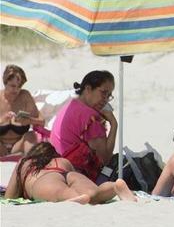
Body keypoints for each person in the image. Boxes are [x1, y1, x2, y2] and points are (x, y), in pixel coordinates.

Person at [5, 142, 136, 203]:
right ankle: (114, 187)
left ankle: (73, 198)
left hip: (45, 179)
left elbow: (9, 197)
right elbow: (70, 179)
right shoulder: (62, 161)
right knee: (94, 193)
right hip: (68, 173)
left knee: (62, 192)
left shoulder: (25, 162)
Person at [49, 70, 117, 181]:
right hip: (75, 175)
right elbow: (104, 159)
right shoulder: (91, 117)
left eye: (109, 96)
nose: (105, 99)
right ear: (88, 89)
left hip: (56, 168)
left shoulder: (71, 105)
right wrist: (114, 125)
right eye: (103, 93)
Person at [0, 65, 42, 156]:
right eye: (13, 86)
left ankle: (31, 164)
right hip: (1, 147)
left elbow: (42, 121)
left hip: (18, 146)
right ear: (5, 82)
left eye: (19, 86)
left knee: (30, 135)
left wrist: (30, 120)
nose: (16, 90)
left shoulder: (25, 96)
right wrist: (2, 120)